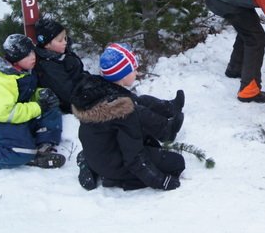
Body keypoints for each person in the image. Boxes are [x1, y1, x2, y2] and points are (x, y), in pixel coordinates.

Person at [71, 43, 185, 192]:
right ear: (122, 75)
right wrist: (160, 181)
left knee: (138, 101)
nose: (137, 72)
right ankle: (116, 180)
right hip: (113, 164)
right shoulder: (122, 111)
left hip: (97, 154)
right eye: (133, 69)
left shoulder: (98, 90)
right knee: (177, 163)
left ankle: (168, 116)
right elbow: (134, 158)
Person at [0, 34, 65, 169]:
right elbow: (6, 113)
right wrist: (38, 107)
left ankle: (43, 147)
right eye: (27, 55)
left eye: (32, 52)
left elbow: (24, 95)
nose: (33, 57)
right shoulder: (0, 81)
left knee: (51, 107)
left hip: (15, 114)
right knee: (20, 153)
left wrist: (40, 94)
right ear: (15, 59)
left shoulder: (25, 71)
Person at [33, 17, 90, 113]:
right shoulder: (48, 66)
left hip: (82, 90)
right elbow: (67, 94)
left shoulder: (62, 53)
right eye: (60, 41)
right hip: (74, 104)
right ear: (47, 45)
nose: (65, 42)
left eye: (65, 38)